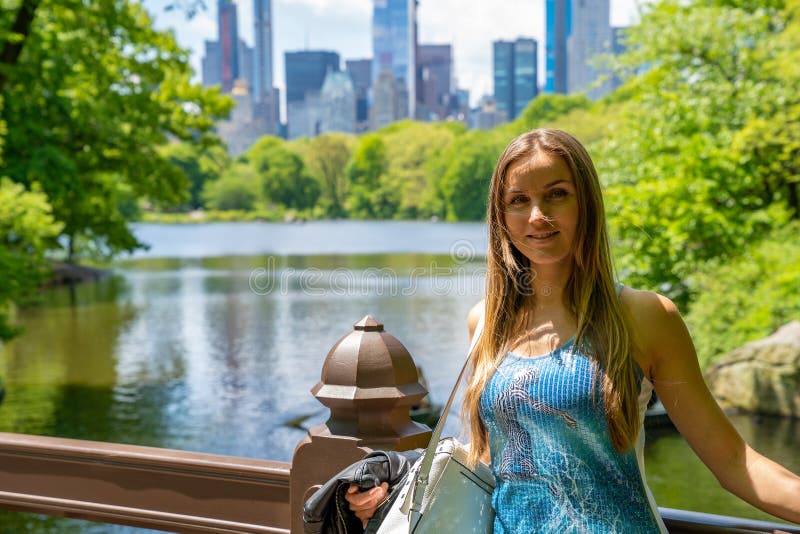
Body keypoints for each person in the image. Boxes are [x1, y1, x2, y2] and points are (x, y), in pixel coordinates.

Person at [345, 129, 800, 532]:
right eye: (518, 201)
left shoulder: (644, 316)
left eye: (557, 194)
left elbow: (732, 462)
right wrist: (394, 498)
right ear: (501, 217)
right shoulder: (485, 320)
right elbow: (488, 461)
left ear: (586, 203)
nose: (537, 215)